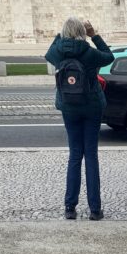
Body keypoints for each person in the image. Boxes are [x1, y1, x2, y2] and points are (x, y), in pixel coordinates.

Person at [45, 18, 114, 221]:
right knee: (90, 155)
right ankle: (94, 209)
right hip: (92, 106)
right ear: (82, 32)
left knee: (75, 155)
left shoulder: (58, 52)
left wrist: (60, 35)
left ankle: (70, 207)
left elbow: (49, 53)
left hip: (69, 107)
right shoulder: (89, 52)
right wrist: (94, 35)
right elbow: (109, 57)